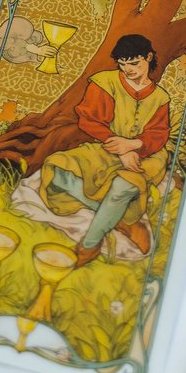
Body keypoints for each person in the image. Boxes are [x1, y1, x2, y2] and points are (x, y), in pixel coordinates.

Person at [40, 32, 171, 267]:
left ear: (149, 57)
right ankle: (120, 218)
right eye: (122, 64)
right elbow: (88, 120)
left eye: (134, 63)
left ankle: (89, 246)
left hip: (148, 154)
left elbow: (159, 134)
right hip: (106, 146)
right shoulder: (105, 81)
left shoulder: (160, 97)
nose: (128, 69)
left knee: (124, 185)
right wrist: (119, 146)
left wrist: (133, 145)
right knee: (56, 171)